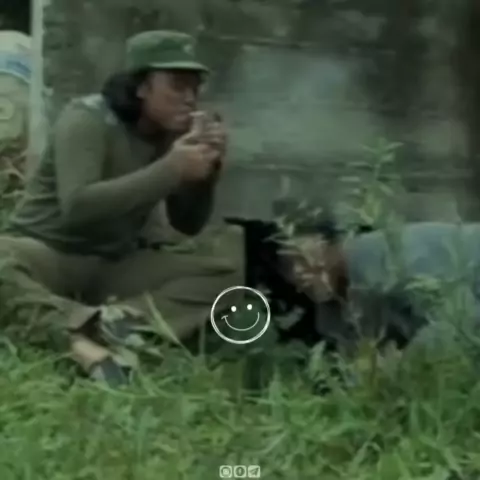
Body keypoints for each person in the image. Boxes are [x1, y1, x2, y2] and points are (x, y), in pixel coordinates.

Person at [0, 30, 244, 386]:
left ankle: (118, 323)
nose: (190, 99)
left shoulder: (169, 135)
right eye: (177, 86)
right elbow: (78, 207)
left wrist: (205, 175)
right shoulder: (87, 118)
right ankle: (81, 336)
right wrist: (171, 168)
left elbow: (187, 225)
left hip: (113, 264)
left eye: (195, 88)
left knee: (227, 277)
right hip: (47, 253)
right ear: (141, 86)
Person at [251, 200, 480, 357]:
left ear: (334, 246)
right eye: (287, 266)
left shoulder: (386, 258)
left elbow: (459, 318)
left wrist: (406, 365)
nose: (298, 272)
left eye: (304, 258)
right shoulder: (332, 313)